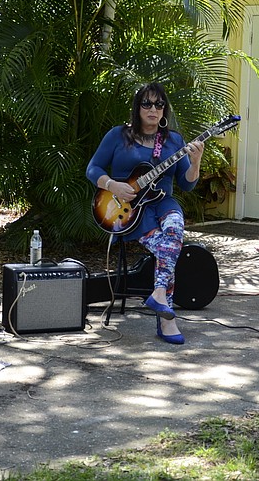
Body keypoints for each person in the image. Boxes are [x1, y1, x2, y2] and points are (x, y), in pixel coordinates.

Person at [86, 82, 204, 345]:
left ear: (164, 110)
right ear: (137, 108)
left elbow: (186, 184)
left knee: (174, 229)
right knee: (168, 248)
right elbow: (93, 169)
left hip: (162, 203)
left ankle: (159, 293)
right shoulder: (118, 135)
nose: (153, 109)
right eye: (147, 103)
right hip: (128, 210)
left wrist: (195, 163)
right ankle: (167, 320)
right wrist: (112, 185)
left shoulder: (174, 141)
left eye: (159, 104)